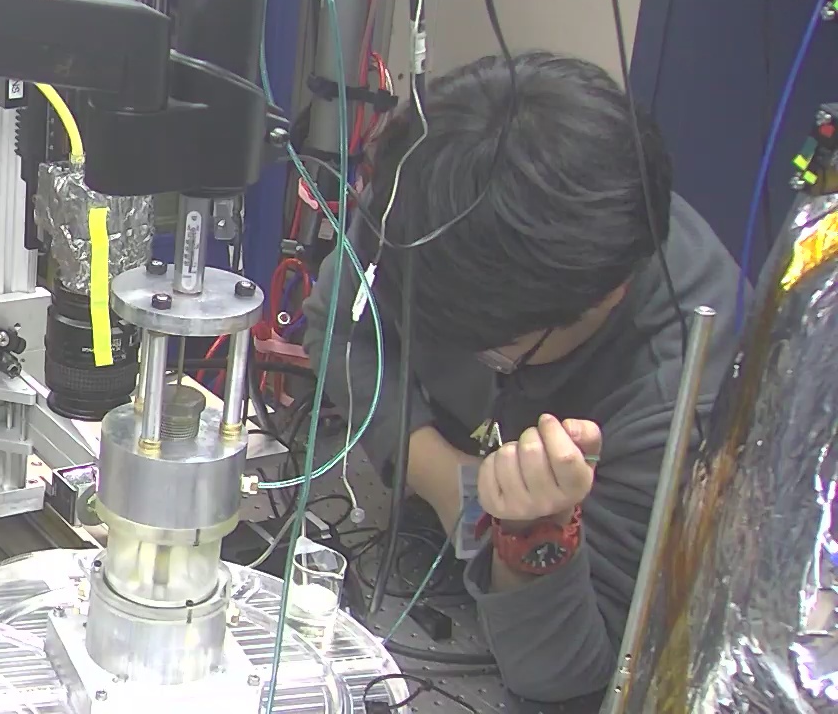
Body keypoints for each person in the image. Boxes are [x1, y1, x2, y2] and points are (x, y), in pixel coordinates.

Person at [302, 52, 743, 702]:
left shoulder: (677, 394)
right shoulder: (428, 190)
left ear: (607, 298)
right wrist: (447, 480)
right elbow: (338, 329)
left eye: (490, 353)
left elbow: (570, 678)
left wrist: (533, 536)